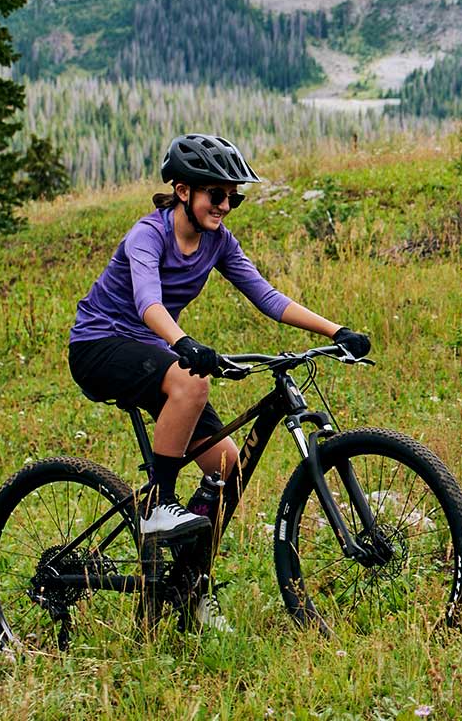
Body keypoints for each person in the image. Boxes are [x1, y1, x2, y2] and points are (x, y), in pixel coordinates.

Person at [67, 134, 372, 539]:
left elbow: (267, 297)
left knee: (227, 469)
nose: (225, 206)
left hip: (150, 350)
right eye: (216, 194)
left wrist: (337, 331)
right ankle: (158, 504)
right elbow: (148, 303)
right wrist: (183, 344)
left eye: (233, 197)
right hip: (98, 344)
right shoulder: (148, 235)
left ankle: (186, 581)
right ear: (182, 190)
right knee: (192, 380)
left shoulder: (218, 241)